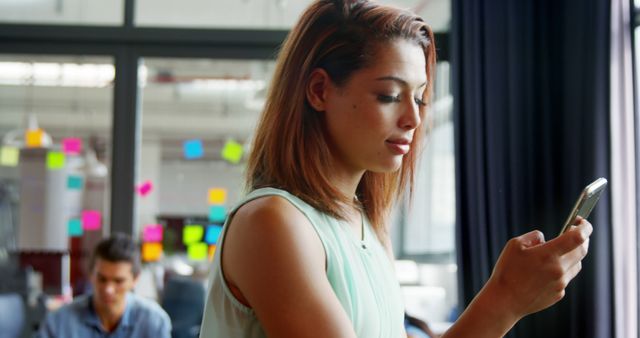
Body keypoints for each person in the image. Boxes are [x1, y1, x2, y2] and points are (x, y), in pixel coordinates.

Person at [199, 0, 593, 337]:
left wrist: (511, 298)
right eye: (389, 95)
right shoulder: (272, 222)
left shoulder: (365, 223)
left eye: (420, 98)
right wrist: (505, 299)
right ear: (319, 91)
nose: (413, 119)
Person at [38, 233, 171, 338]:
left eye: (118, 281)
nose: (108, 289)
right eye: (102, 279)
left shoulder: (154, 321)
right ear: (91, 275)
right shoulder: (59, 321)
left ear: (135, 280)